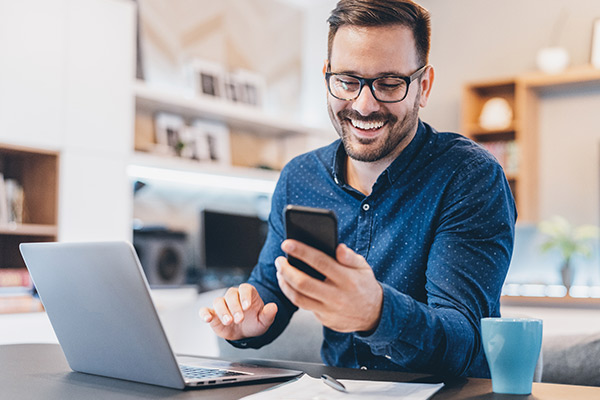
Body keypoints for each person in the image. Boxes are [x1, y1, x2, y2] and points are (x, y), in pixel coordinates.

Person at [199, 0, 516, 378]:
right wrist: (247, 321)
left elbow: (464, 341)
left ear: (423, 87)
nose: (364, 105)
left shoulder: (469, 177)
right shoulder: (300, 178)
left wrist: (378, 313)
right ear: (327, 76)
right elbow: (272, 289)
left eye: (389, 84)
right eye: (347, 81)